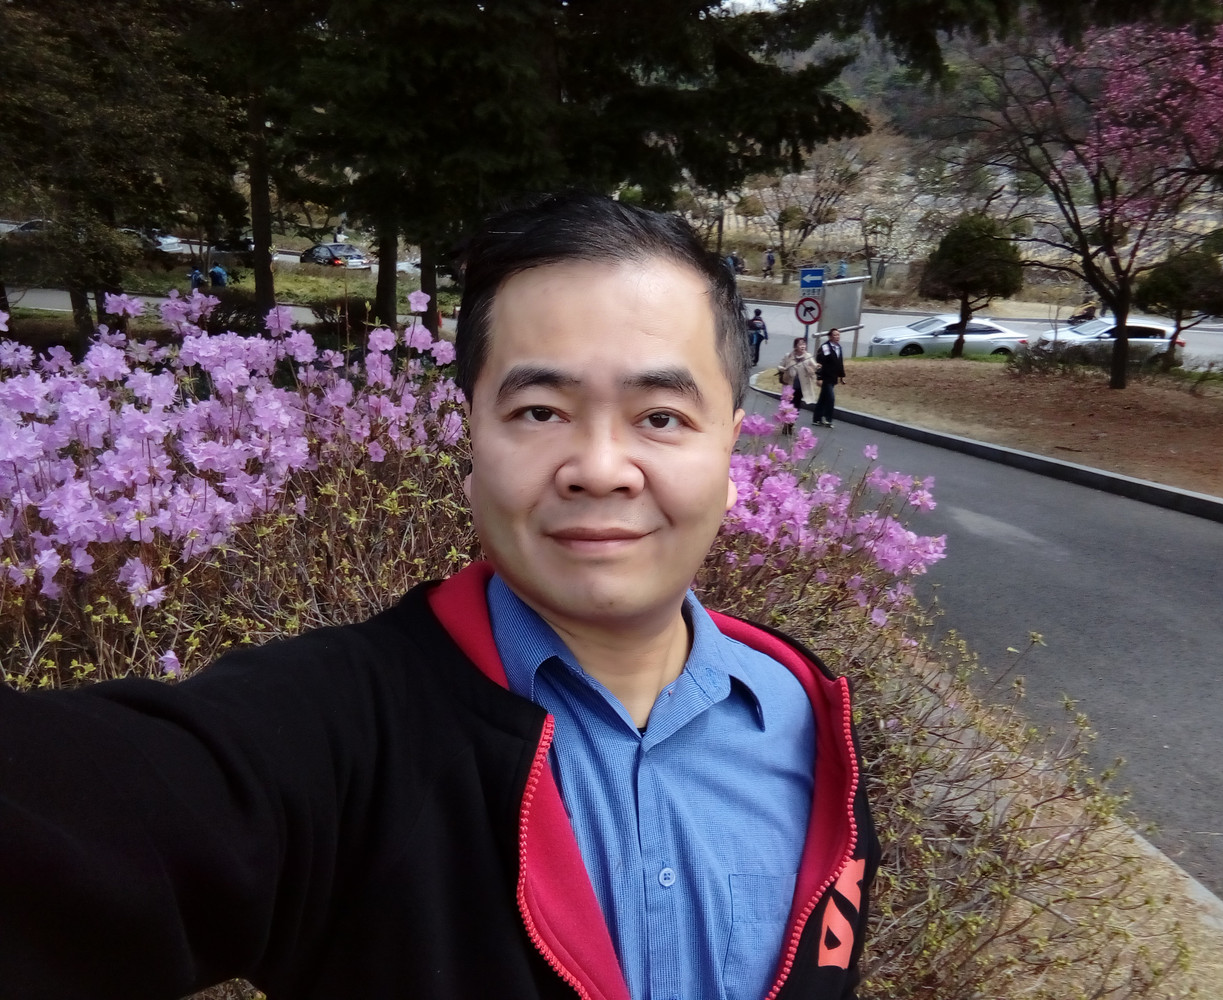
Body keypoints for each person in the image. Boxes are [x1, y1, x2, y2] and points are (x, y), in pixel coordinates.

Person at [0, 193, 877, 1000]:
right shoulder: (343, 733)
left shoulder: (800, 715)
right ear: (472, 445)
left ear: (729, 451)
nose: (600, 469)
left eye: (660, 417)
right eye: (539, 411)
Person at [777, 335, 819, 435]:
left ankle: (790, 424)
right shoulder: (788, 356)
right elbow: (780, 365)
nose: (803, 346)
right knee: (788, 406)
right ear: (795, 346)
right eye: (800, 344)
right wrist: (783, 369)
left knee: (796, 407)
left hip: (801, 387)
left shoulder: (808, 356)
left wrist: (817, 366)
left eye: (804, 344)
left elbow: (815, 365)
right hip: (790, 386)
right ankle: (786, 425)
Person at [813, 328, 846, 428]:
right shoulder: (825, 347)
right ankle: (828, 419)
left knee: (823, 398)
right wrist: (819, 377)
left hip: (833, 377)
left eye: (838, 335)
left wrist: (841, 376)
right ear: (830, 336)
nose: (837, 337)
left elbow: (839, 363)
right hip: (826, 377)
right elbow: (820, 362)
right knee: (831, 398)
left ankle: (817, 419)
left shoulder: (839, 347)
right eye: (835, 335)